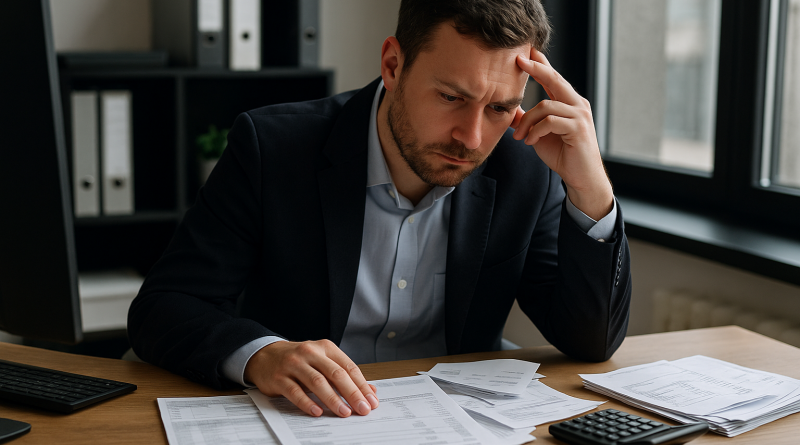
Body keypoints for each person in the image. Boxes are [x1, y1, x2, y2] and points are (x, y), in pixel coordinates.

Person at [128, 0, 631, 420]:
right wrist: (263, 354)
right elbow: (164, 306)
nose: (472, 138)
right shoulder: (273, 148)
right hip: (307, 420)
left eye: (500, 107)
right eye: (452, 96)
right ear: (393, 65)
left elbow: (589, 341)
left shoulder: (526, 169)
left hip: (449, 424)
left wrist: (590, 187)